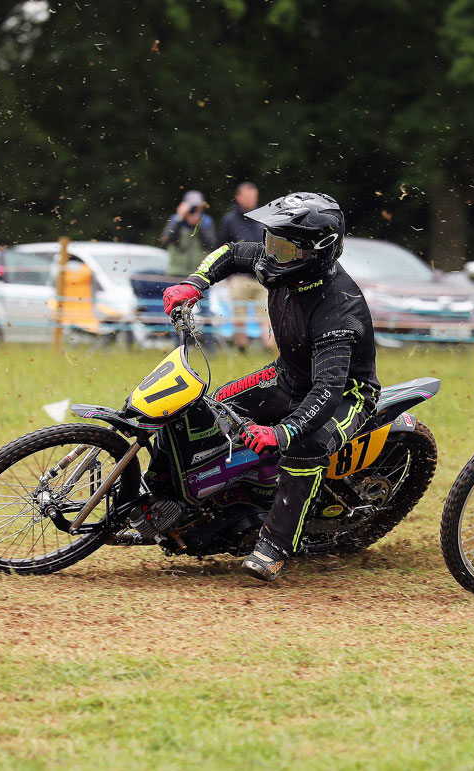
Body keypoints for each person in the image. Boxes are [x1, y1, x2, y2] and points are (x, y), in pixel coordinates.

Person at [161, 192, 379, 582]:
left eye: (281, 245)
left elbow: (327, 391)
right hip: (289, 375)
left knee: (305, 445)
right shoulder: (281, 261)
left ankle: (275, 544)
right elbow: (229, 252)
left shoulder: (338, 310)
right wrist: (193, 284)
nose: (269, 253)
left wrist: (282, 432)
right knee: (208, 408)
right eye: (269, 241)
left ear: (318, 250)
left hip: (347, 394)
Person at [217, 181, 273, 351]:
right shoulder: (229, 220)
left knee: (266, 315)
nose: (252, 200)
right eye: (248, 196)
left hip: (261, 276)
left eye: (254, 196)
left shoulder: (263, 218)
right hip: (239, 276)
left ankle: (269, 348)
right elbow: (222, 246)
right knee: (239, 315)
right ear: (239, 198)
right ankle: (241, 348)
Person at [160, 190, 218, 278]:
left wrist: (198, 226)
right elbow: (165, 240)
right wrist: (179, 219)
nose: (194, 210)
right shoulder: (176, 219)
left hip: (200, 273)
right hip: (175, 272)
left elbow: (211, 244)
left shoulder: (206, 221)